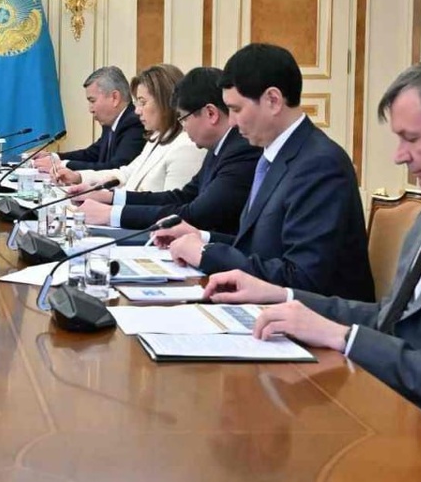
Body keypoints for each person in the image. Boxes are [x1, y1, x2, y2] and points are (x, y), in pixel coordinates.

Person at [203, 56, 421, 430]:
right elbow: (391, 319)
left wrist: (342, 337)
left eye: (411, 138)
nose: (399, 156)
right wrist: (281, 296)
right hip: (389, 400)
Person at [155, 43, 374, 301]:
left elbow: (302, 278)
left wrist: (205, 254)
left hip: (313, 319)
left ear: (273, 100)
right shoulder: (273, 156)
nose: (232, 122)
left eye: (236, 109)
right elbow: (259, 248)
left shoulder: (321, 165)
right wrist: (200, 237)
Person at [76, 67, 260, 235]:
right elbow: (181, 197)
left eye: (183, 118)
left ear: (211, 114)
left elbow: (196, 214)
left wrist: (112, 214)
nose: (183, 126)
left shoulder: (239, 150)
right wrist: (111, 198)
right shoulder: (218, 147)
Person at [58, 64, 204, 193]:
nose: (137, 110)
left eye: (143, 102)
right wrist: (79, 177)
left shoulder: (186, 147)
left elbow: (172, 207)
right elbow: (126, 173)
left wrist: (111, 207)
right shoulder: (157, 137)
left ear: (165, 102)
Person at [35, 66, 145, 172]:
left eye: (92, 101)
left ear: (115, 98)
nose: (90, 109)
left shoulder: (135, 123)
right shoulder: (111, 123)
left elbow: (116, 168)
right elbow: (92, 154)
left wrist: (62, 165)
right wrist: (55, 157)